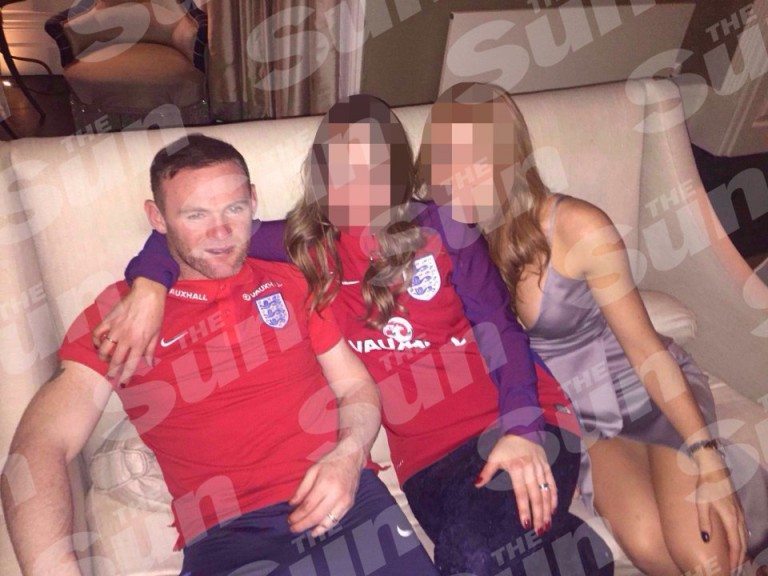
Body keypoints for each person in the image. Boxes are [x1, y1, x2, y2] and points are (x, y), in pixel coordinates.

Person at [93, 96, 615, 576]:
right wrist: (150, 284)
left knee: (472, 557)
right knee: (474, 556)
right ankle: (574, 552)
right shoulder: (303, 245)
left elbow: (503, 330)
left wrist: (522, 429)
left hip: (513, 418)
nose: (358, 187)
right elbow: (206, 234)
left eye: (376, 169)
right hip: (425, 463)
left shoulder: (444, 225)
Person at [1, 135, 440, 576]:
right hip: (228, 537)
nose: (221, 232)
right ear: (157, 218)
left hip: (346, 501)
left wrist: (349, 456)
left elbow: (354, 385)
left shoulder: (291, 281)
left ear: (253, 202)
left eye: (234, 208)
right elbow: (40, 445)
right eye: (196, 215)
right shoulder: (119, 316)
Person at [417, 81, 768, 576]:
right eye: (447, 160)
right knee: (650, 548)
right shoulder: (448, 243)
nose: (460, 178)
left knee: (704, 557)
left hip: (645, 392)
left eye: (477, 158)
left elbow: (646, 349)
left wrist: (707, 456)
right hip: (583, 423)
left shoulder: (577, 227)